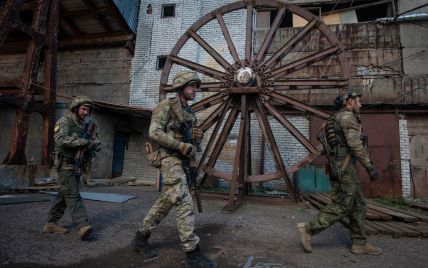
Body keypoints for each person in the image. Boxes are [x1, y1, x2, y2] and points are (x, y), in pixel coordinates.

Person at [132, 71, 216, 267]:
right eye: (191, 86)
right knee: (183, 200)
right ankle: (192, 253)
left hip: (184, 162)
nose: (195, 89)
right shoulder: (166, 106)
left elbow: (192, 143)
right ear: (181, 87)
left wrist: (197, 137)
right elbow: (154, 132)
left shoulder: (189, 113)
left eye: (196, 86)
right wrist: (179, 146)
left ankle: (140, 237)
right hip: (169, 158)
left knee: (165, 202)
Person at [297, 90, 382, 255]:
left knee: (358, 204)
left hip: (338, 166)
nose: (360, 104)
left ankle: (359, 243)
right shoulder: (347, 118)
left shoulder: (331, 119)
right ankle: (308, 229)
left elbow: (322, 138)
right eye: (358, 101)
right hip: (345, 167)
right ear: (349, 102)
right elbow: (355, 145)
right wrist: (369, 167)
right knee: (343, 204)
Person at [43, 95, 100, 240]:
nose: (85, 112)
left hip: (78, 164)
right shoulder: (65, 121)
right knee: (73, 194)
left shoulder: (88, 126)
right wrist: (84, 142)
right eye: (83, 109)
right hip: (65, 164)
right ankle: (82, 225)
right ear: (75, 108)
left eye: (88, 110)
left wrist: (94, 144)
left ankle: (51, 222)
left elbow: (95, 143)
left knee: (64, 193)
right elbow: (61, 139)